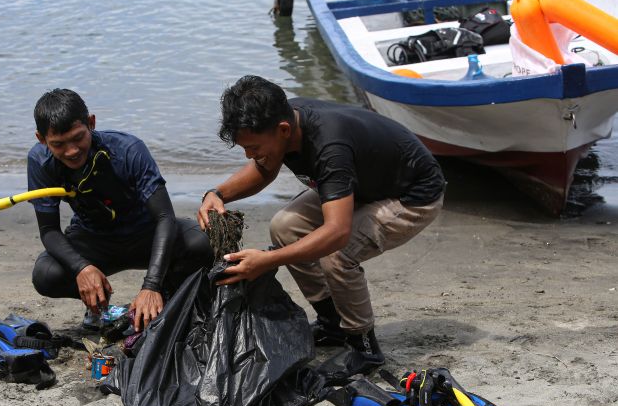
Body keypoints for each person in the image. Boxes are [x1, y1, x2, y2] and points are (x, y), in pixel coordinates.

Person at [197, 75, 445, 364]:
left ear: (284, 130)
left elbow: (337, 233)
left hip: (411, 195)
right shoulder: (282, 123)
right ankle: (333, 324)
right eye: (245, 149)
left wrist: (268, 260)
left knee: (338, 254)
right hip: (363, 185)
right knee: (285, 226)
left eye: (253, 148)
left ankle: (363, 347)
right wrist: (217, 193)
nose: (251, 155)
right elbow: (264, 169)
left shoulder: (329, 146)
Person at [28, 89, 213, 331]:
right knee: (45, 275)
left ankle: (164, 297)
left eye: (78, 138)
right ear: (42, 139)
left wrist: (152, 285)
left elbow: (164, 217)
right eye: (58, 144)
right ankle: (99, 303)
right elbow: (50, 230)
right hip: (94, 240)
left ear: (91, 123)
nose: (71, 151)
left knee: (202, 244)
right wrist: (82, 268)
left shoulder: (129, 149)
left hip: (145, 234)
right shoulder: (39, 161)